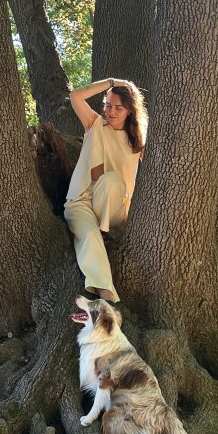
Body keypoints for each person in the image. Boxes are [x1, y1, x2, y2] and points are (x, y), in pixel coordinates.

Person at [64, 77, 147, 303]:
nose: (111, 112)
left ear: (130, 110)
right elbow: (75, 97)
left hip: (114, 208)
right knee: (88, 236)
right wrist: (112, 81)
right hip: (81, 202)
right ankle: (106, 296)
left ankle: (105, 230)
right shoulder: (94, 124)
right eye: (108, 105)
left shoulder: (138, 141)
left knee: (111, 181)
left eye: (118, 108)